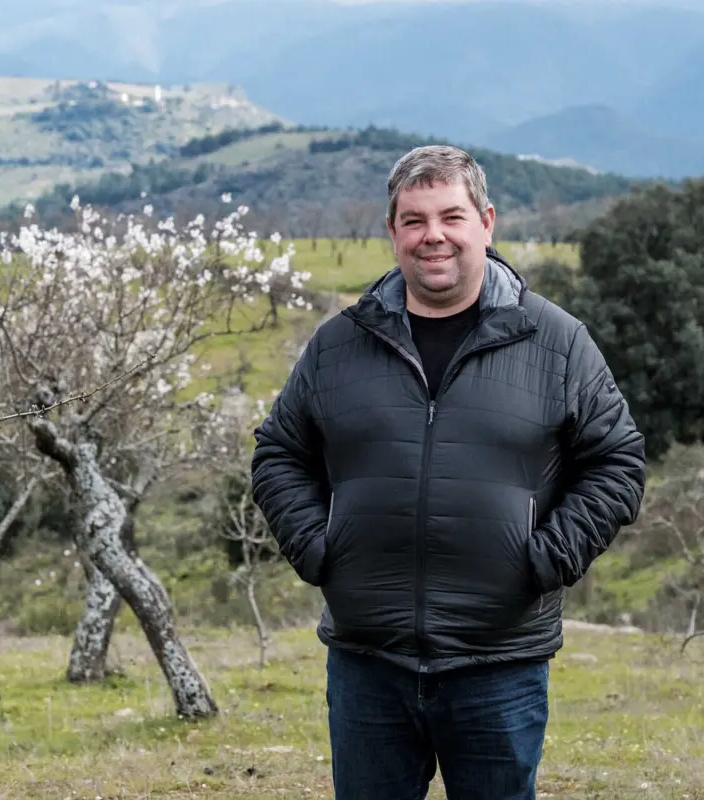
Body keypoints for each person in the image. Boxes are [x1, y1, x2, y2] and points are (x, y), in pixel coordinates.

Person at [249, 145, 647, 799]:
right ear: (392, 232)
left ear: (485, 223)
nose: (433, 235)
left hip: (499, 662)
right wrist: (320, 549)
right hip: (367, 660)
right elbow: (278, 454)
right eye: (414, 220)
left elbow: (617, 461)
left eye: (451, 216)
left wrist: (545, 559)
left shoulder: (557, 341)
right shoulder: (338, 345)